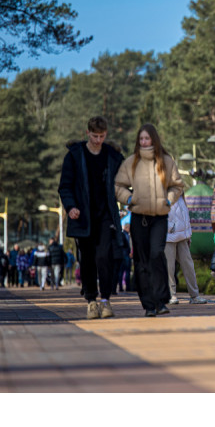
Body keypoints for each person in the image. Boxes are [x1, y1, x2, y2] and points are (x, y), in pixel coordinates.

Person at [58, 116, 125, 320]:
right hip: (83, 217)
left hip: (106, 216)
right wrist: (70, 207)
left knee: (105, 257)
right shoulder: (74, 156)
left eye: (102, 136)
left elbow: (126, 179)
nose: (98, 140)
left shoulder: (113, 156)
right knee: (86, 260)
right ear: (87, 133)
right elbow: (65, 186)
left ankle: (105, 300)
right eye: (94, 136)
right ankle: (91, 301)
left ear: (106, 134)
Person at [115, 123, 184, 318]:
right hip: (138, 217)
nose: (144, 142)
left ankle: (161, 299)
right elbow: (118, 185)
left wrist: (168, 200)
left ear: (154, 139)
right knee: (141, 261)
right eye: (141, 139)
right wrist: (128, 198)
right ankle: (149, 305)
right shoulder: (131, 163)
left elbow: (177, 186)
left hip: (159, 217)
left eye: (147, 138)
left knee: (156, 254)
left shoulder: (166, 161)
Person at [165, 196, 208, 305]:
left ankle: (195, 296)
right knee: (169, 268)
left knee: (188, 265)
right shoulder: (163, 193)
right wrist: (170, 228)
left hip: (183, 237)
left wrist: (188, 235)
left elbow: (185, 218)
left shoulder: (180, 198)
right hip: (168, 237)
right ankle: (171, 295)